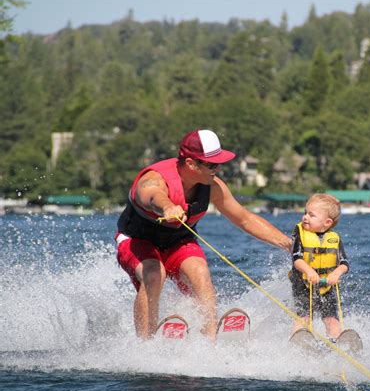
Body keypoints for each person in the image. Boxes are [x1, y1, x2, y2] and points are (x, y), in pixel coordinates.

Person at [115, 129, 292, 340]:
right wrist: (168, 206)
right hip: (137, 240)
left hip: (177, 241)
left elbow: (244, 218)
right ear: (191, 164)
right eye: (211, 164)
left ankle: (209, 341)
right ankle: (146, 344)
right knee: (154, 274)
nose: (218, 169)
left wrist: (290, 245)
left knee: (200, 273)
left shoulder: (213, 187)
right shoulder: (154, 179)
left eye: (219, 163)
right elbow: (151, 195)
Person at [289, 193, 349, 340]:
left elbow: (344, 263)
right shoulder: (299, 235)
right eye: (305, 213)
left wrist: (336, 274)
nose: (305, 217)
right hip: (303, 283)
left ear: (327, 222)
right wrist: (309, 271)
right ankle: (298, 340)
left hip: (327, 285)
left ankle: (336, 341)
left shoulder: (334, 239)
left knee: (331, 319)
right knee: (304, 317)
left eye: (311, 215)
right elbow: (297, 259)